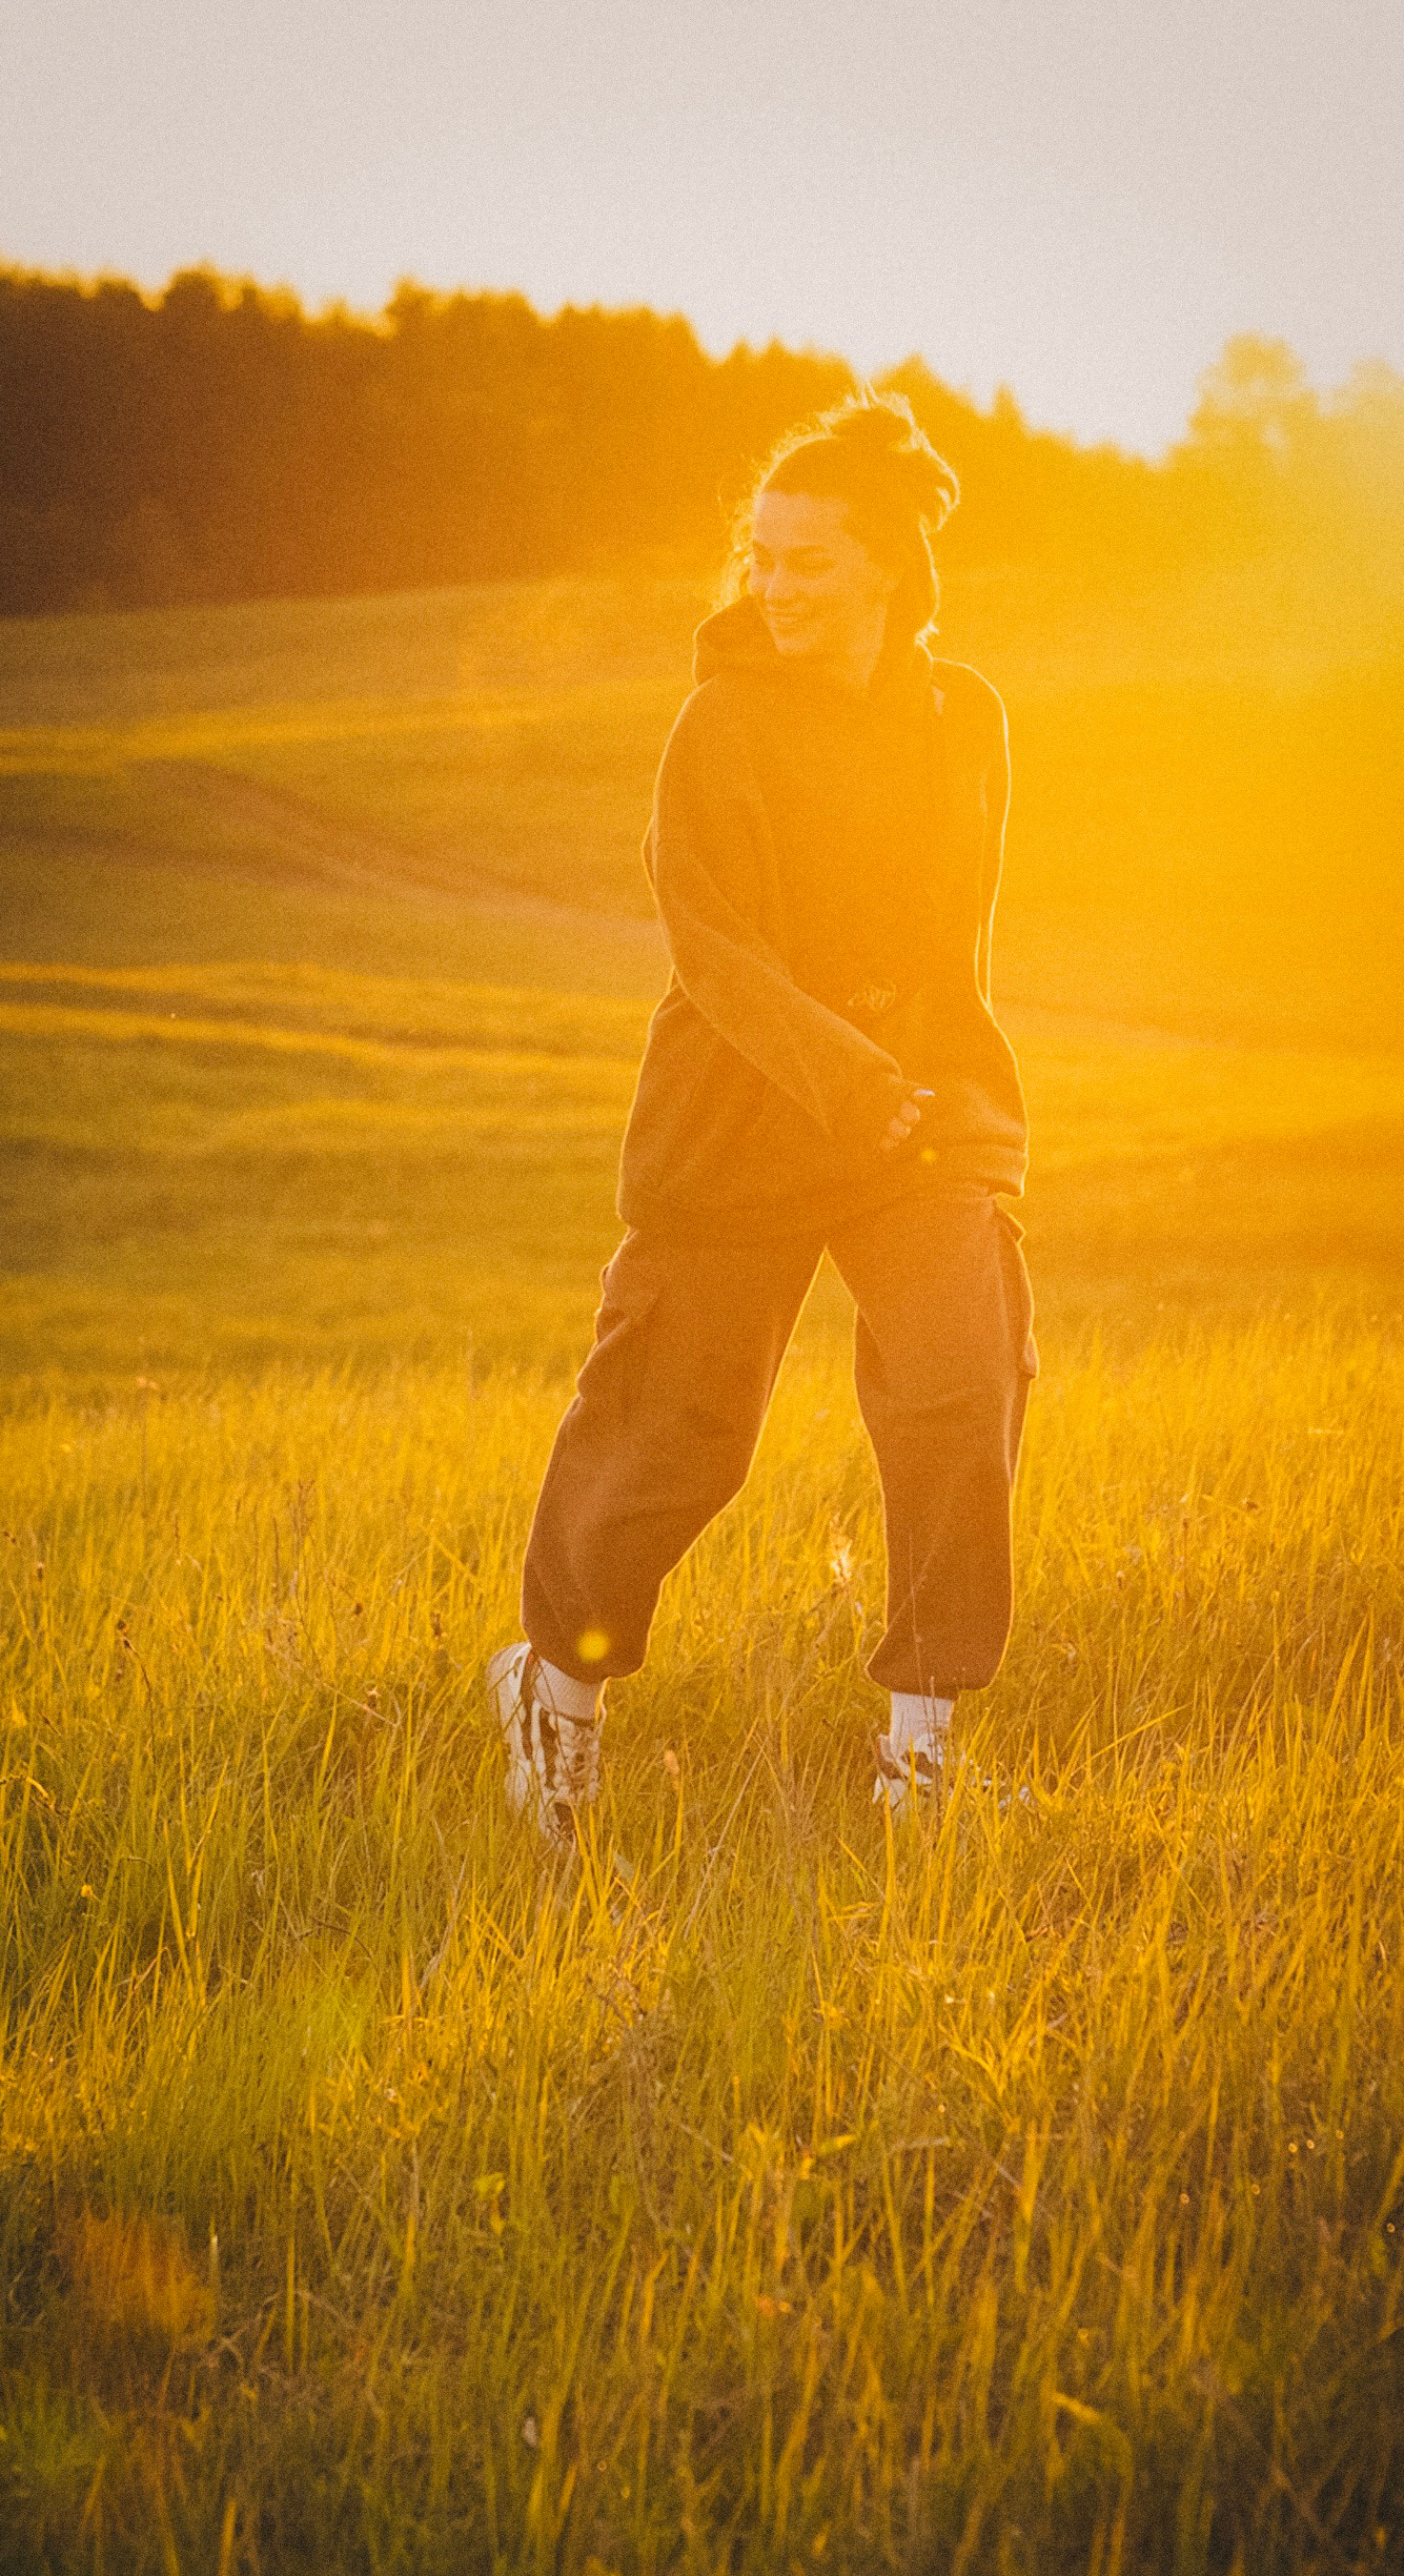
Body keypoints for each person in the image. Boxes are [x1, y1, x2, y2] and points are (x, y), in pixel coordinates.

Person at [488, 390, 1038, 1847]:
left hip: (917, 1117)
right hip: (740, 1120)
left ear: (889, 568)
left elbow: (955, 931)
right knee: (673, 1437)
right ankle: (559, 1695)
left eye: (811, 560)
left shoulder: (966, 714)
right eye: (765, 557)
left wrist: (950, 1097)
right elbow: (714, 949)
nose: (778, 586)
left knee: (959, 1386)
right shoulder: (717, 722)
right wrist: (851, 1076)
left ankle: (921, 1742)